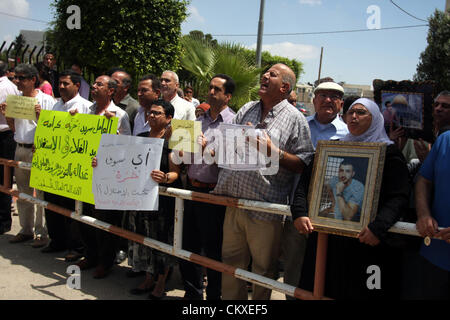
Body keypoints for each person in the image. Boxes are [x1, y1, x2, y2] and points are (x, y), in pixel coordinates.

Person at [213, 63, 314, 300]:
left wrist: (272, 150)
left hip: (266, 209)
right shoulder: (247, 108)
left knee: (263, 270)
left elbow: (304, 162)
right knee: (230, 264)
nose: (265, 76)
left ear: (285, 87)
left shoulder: (295, 119)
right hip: (234, 202)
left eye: (272, 75)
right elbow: (228, 146)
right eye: (265, 73)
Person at [294, 98, 410, 299]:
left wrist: (378, 227)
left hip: (367, 244)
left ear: (375, 119)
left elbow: (399, 196)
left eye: (361, 113)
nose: (354, 117)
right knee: (321, 288)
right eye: (351, 112)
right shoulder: (332, 148)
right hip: (328, 240)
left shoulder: (389, 155)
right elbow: (306, 184)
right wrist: (299, 212)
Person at [179, 74, 236, 300]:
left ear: (228, 96)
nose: (211, 92)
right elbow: (183, 158)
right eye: (210, 88)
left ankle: (214, 298)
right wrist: (180, 147)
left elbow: (232, 159)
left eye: (217, 89)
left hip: (215, 194)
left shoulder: (234, 122)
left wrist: (207, 150)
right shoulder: (198, 122)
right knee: (187, 245)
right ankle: (192, 295)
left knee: (213, 250)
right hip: (191, 190)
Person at [76, 75, 131, 279]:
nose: (94, 86)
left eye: (100, 84)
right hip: (84, 174)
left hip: (108, 176)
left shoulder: (120, 115)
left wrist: (115, 135)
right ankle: (90, 255)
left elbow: (127, 148)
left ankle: (105, 262)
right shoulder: (86, 111)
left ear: (111, 91)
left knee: (105, 221)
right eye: (94, 84)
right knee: (84, 216)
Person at [127, 99, 181, 299]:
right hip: (140, 200)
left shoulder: (173, 142)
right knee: (144, 238)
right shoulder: (140, 137)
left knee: (161, 240)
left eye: (157, 113)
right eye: (150, 112)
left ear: (169, 118)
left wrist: (165, 177)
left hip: (162, 203)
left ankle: (160, 283)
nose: (151, 116)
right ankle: (148, 277)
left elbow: (176, 172)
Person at [2, 64, 55, 246]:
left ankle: (41, 233)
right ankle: (25, 229)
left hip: (38, 150)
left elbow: (53, 128)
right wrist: (6, 114)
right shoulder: (15, 100)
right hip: (20, 148)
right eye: (15, 77)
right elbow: (13, 127)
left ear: (33, 80)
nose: (17, 81)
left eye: (22, 78)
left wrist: (42, 117)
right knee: (23, 191)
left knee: (40, 193)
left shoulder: (47, 100)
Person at [41, 69, 91, 256]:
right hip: (54, 166)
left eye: (65, 84)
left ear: (77, 85)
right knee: (53, 205)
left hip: (74, 167)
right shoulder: (55, 107)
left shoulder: (86, 107)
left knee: (72, 208)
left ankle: (76, 247)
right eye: (59, 83)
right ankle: (57, 241)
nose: (61, 87)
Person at [414, 95, 450, 300]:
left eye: (446, 106)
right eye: (436, 105)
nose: (438, 109)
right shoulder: (445, 140)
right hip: (435, 253)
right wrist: (424, 213)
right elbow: (424, 180)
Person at [0, 61, 19, 235]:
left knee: (4, 179)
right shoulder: (10, 86)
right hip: (7, 134)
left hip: (5, 135)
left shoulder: (6, 87)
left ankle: (3, 220)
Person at [307, 82, 348, 148]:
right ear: (314, 101)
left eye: (334, 97)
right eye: (323, 95)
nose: (327, 100)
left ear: (341, 105)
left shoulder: (347, 133)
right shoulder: (301, 125)